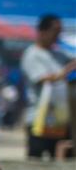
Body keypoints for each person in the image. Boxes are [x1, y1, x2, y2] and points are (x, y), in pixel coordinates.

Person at [21, 14, 76, 159]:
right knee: (36, 161)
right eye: (55, 31)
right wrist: (68, 69)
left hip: (60, 119)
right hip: (39, 119)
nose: (58, 35)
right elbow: (44, 79)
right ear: (42, 32)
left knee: (62, 158)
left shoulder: (58, 52)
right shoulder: (32, 55)